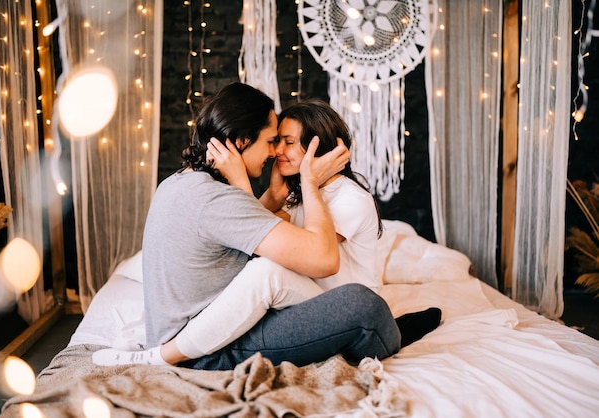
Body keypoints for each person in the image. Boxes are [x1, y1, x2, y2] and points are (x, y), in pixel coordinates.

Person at [92, 85, 437, 369]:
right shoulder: (222, 199)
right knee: (283, 276)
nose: (274, 152)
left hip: (300, 305)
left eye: (286, 142)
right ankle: (162, 357)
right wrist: (278, 190)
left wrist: (276, 191)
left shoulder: (181, 183)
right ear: (243, 140)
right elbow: (293, 248)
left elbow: (261, 234)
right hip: (209, 339)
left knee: (341, 295)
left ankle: (394, 329)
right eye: (273, 140)